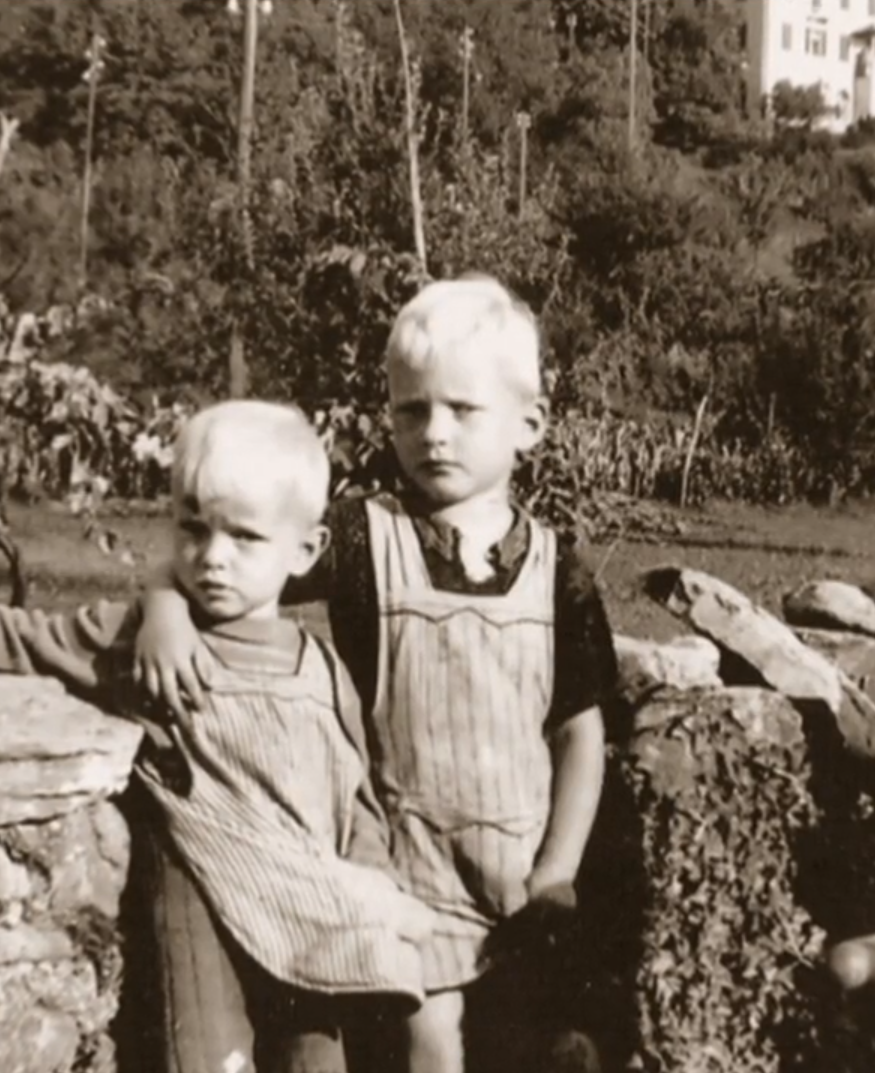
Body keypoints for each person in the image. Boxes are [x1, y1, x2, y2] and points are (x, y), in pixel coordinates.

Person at [133, 275, 621, 1073]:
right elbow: (224, 567)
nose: (434, 433)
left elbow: (580, 730)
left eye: (463, 411)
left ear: (528, 424)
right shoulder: (364, 538)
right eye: (410, 409)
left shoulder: (556, 568)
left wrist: (557, 871)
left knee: (543, 1042)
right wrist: (162, 608)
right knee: (431, 1042)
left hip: (521, 867)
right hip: (402, 861)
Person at [0, 400, 431, 1073]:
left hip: (306, 915)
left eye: (244, 538)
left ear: (304, 550)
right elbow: (36, 637)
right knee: (207, 1059)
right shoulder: (148, 641)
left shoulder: (322, 669)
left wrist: (371, 883)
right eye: (193, 529)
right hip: (202, 906)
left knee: (316, 1062)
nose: (212, 558)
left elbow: (351, 792)